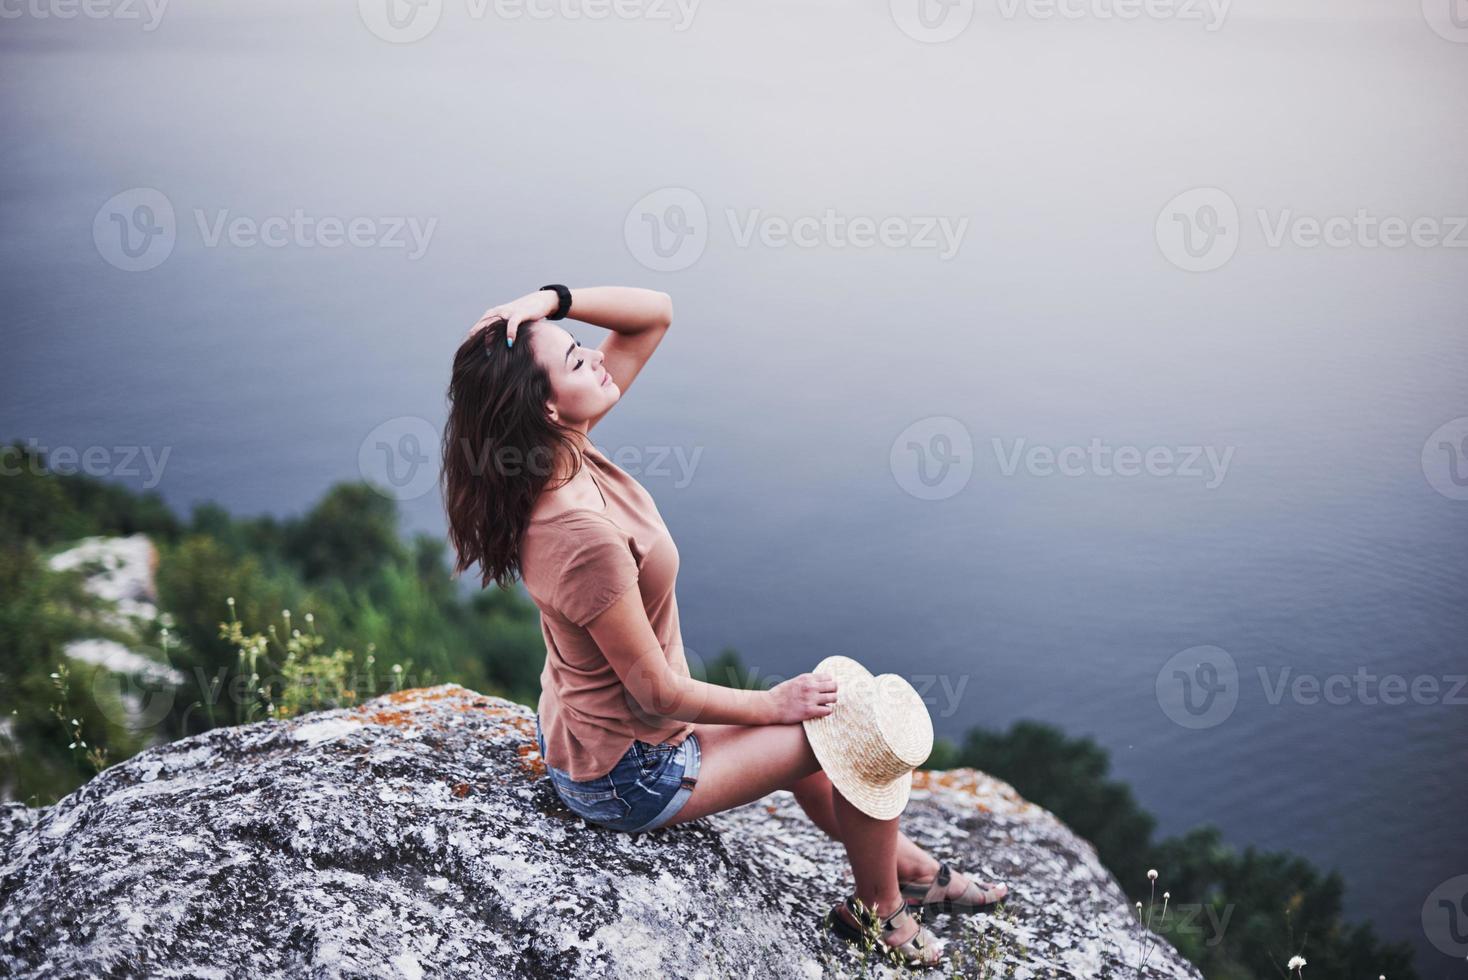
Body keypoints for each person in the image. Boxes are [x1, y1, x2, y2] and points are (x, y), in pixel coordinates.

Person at [440, 285, 1007, 966]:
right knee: (852, 733)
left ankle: (908, 870)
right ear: (547, 406)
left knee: (812, 745)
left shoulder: (557, 453)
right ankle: (881, 916)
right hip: (630, 773)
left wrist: (548, 300)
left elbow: (655, 313)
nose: (594, 356)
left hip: (591, 738)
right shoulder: (581, 531)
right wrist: (771, 704)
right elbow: (654, 692)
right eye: (573, 358)